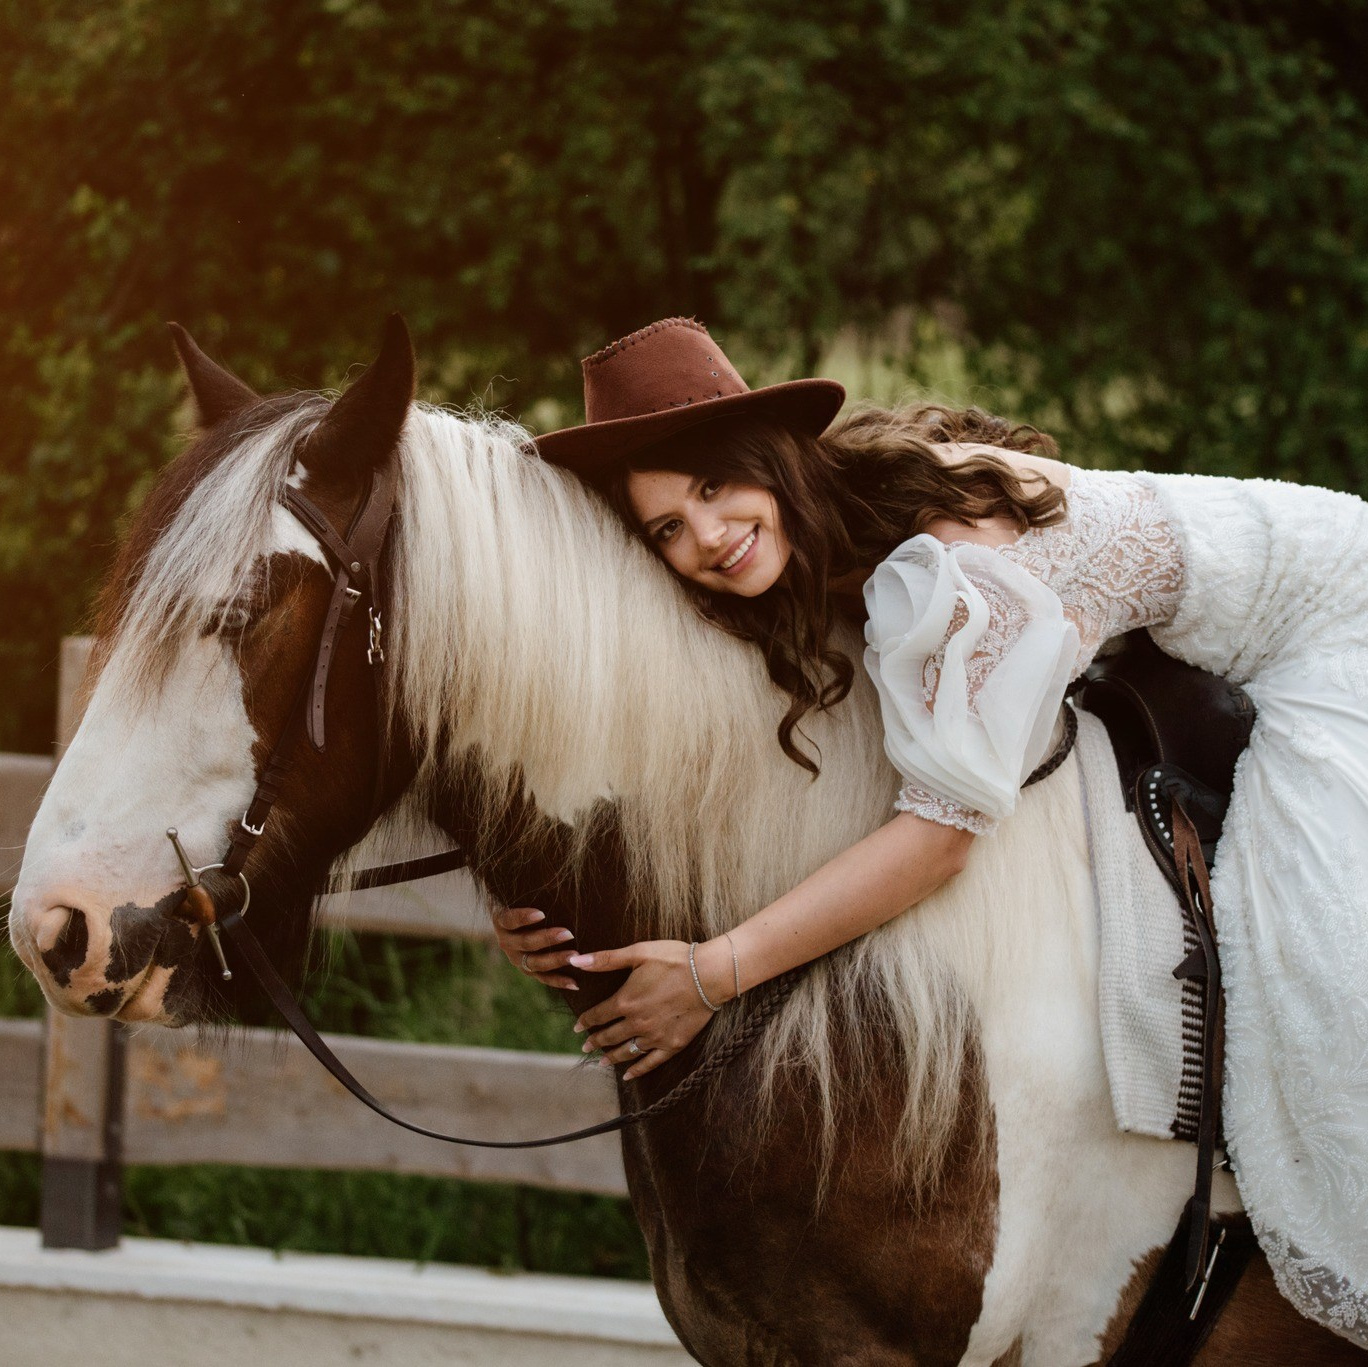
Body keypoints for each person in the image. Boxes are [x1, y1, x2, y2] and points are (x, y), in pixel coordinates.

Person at [495, 316, 1368, 1345]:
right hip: (1232, 626)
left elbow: (943, 835)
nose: (704, 535)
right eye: (666, 529)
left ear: (764, 457)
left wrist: (712, 971)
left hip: (1330, 627)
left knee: (1311, 963)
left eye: (710, 486)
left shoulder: (950, 565)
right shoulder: (841, 527)